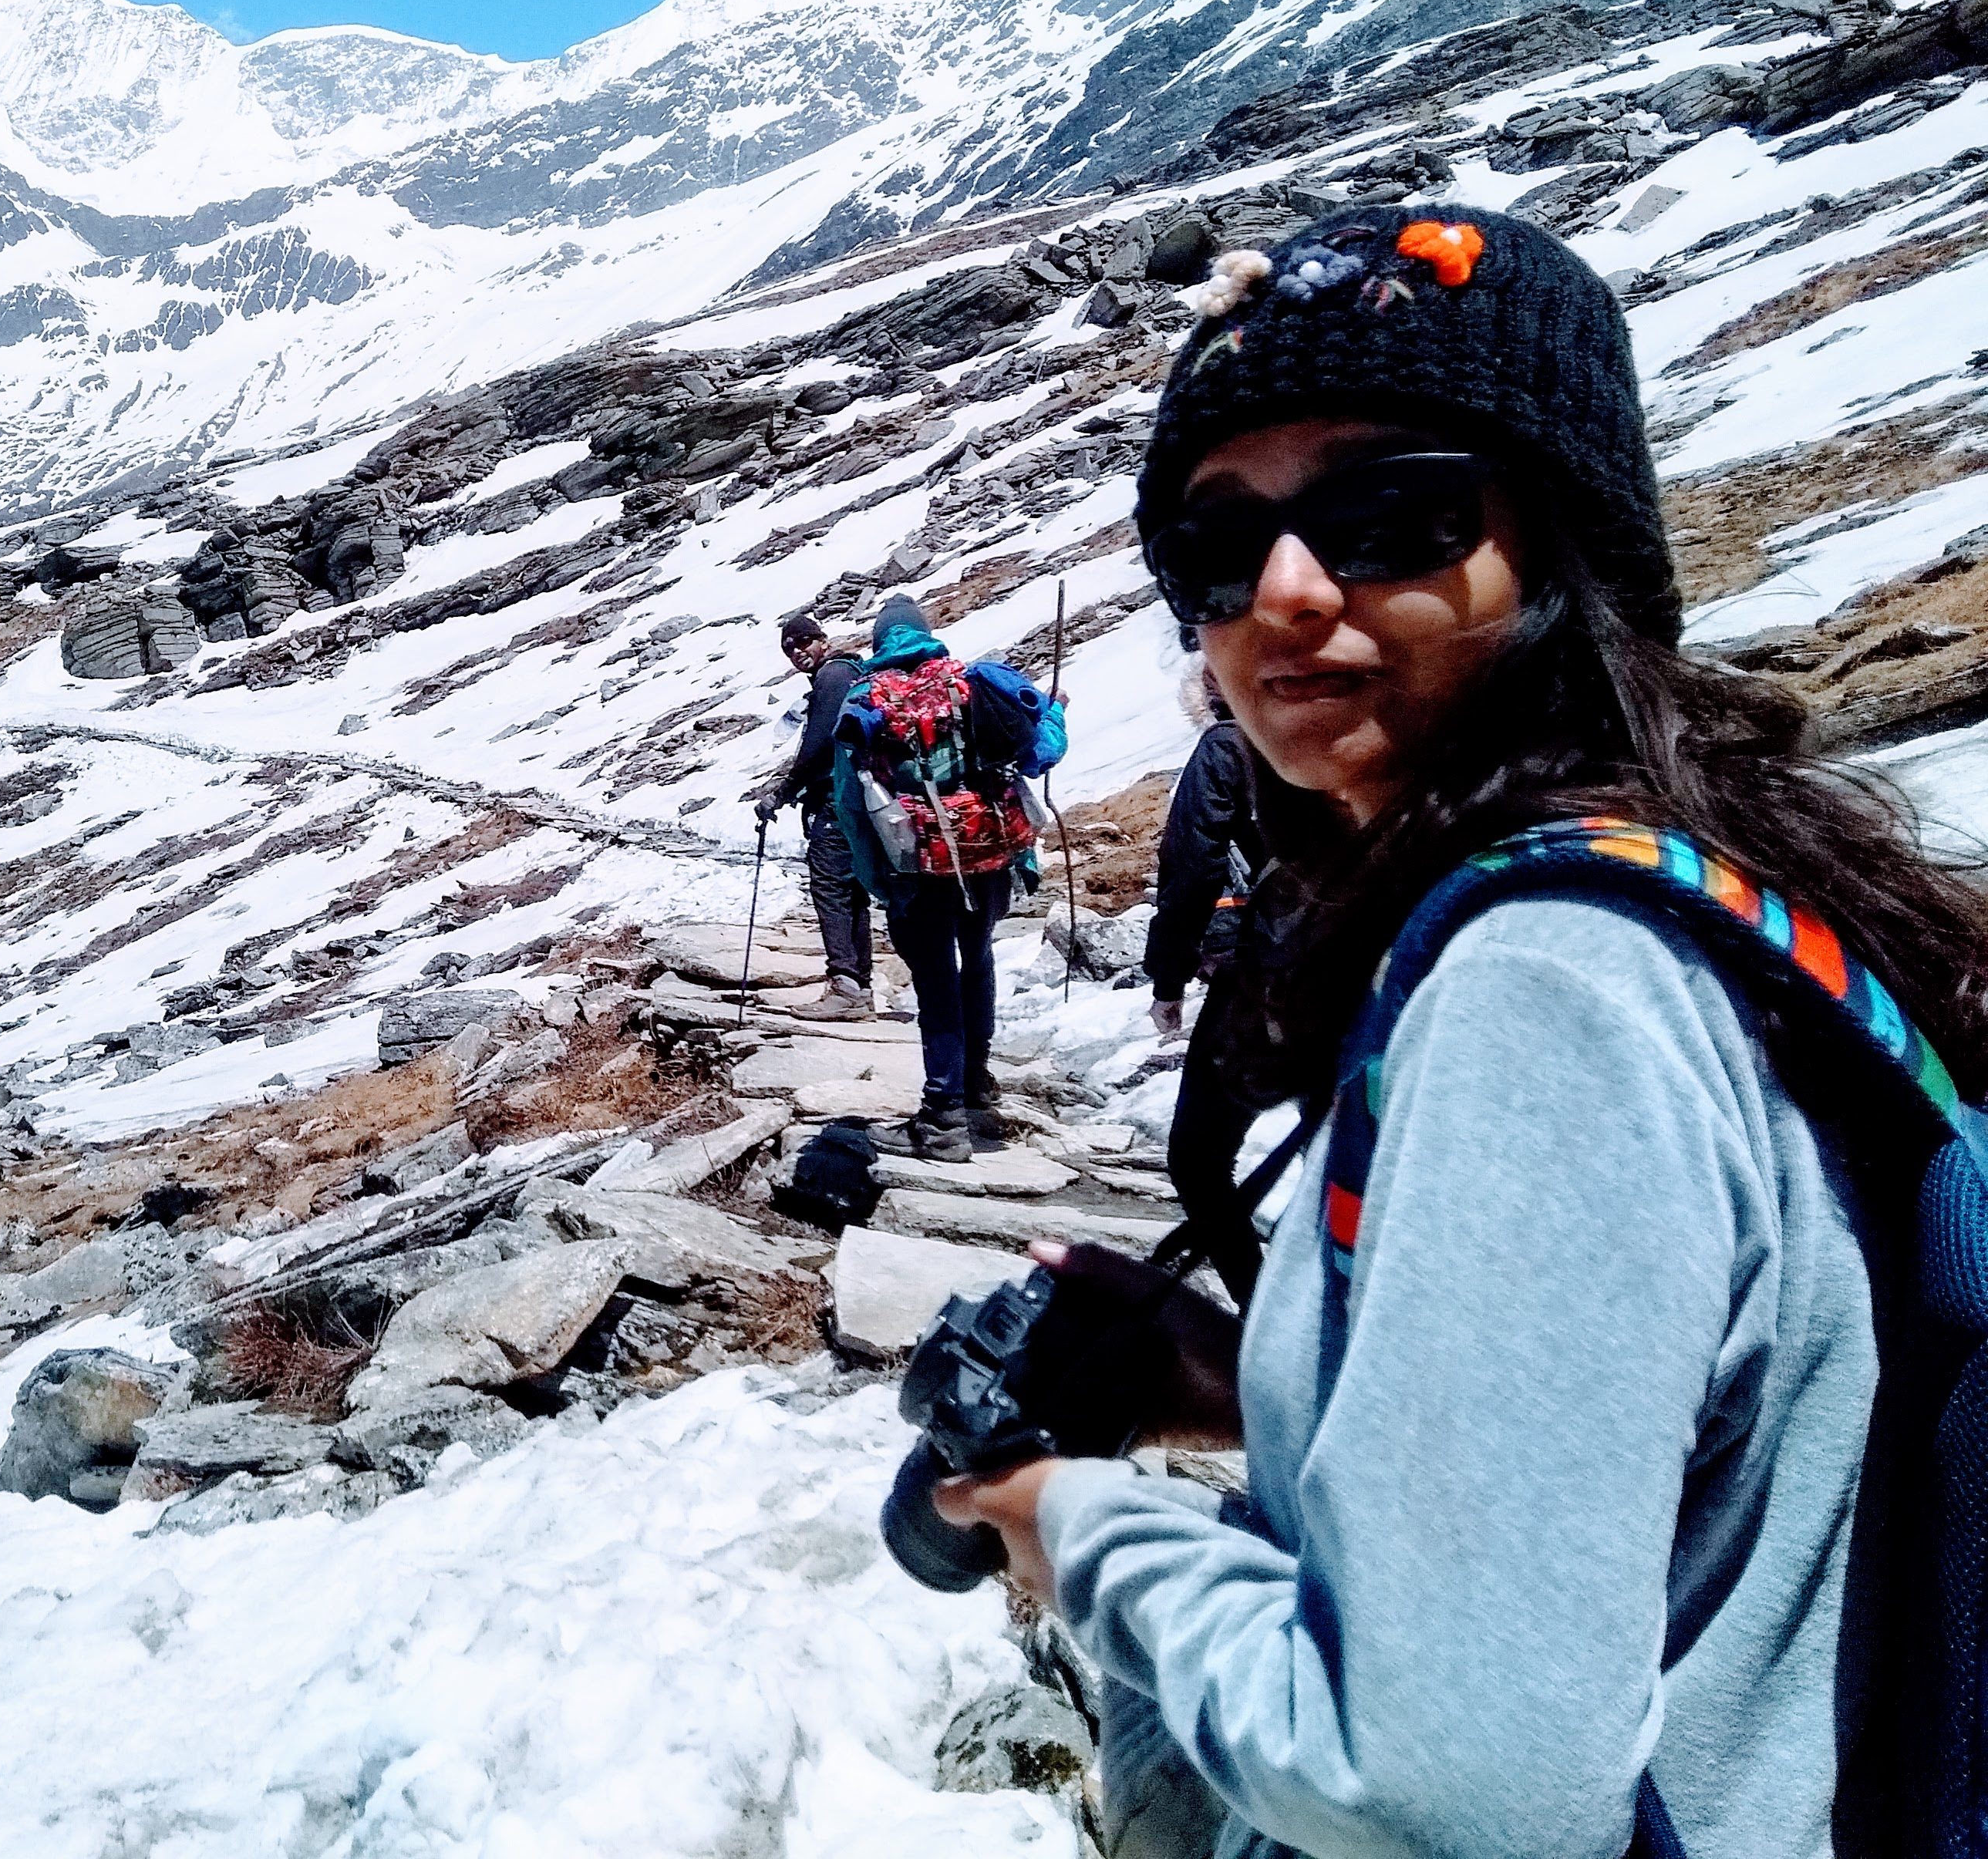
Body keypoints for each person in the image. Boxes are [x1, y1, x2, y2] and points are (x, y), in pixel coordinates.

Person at [930, 205, 1988, 1857]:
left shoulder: (1545, 986)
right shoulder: (1712, 895)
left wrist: (1071, 1525)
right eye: (1216, 547)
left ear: (1556, 550)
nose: (1282, 595)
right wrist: (1248, 1388)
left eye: (1391, 514)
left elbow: (1440, 1793)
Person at [837, 592, 1020, 1160]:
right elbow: (1040, 748)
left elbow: (850, 804)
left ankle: (942, 1121)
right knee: (980, 959)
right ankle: (977, 1090)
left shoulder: (867, 699)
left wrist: (881, 882)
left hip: (918, 864)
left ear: (878, 643)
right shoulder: (973, 684)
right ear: (925, 633)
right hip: (989, 856)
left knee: (936, 983)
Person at [756, 613, 875, 1021]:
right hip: (857, 798)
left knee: (830, 888)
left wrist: (786, 789)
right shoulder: (849, 674)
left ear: (823, 639)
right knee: (851, 889)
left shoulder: (832, 677)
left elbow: (819, 744)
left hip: (835, 800)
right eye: (790, 648)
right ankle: (860, 983)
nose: (798, 651)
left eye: (804, 641)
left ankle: (846, 986)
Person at [1141, 689, 1262, 1042]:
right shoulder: (1337, 732)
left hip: (1250, 936)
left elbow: (1195, 867)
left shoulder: (1224, 746)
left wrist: (1169, 982)